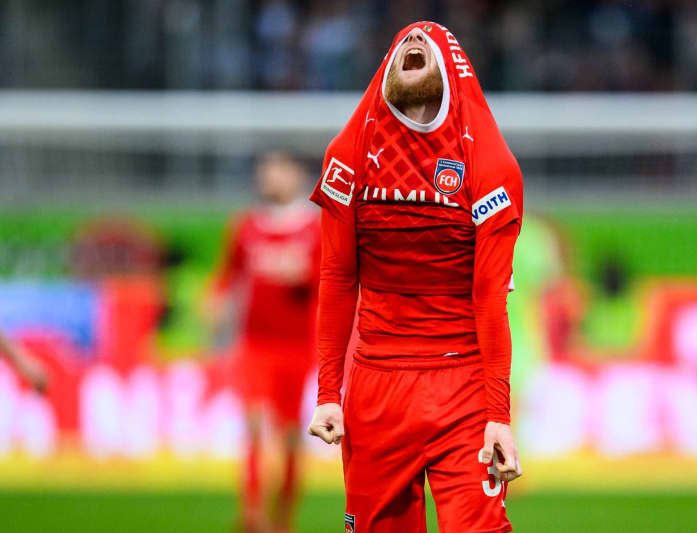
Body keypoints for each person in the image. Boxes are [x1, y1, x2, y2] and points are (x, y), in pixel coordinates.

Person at [306, 22, 523, 533]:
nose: (413, 41)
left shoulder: (489, 166)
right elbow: (337, 278)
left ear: (451, 69)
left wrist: (498, 415)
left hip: (463, 388)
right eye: (403, 40)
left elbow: (490, 299)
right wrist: (327, 393)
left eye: (426, 41)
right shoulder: (349, 155)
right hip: (375, 388)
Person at [209, 152, 320, 533]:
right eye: (264, 171)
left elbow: (334, 284)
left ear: (296, 175)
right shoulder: (245, 226)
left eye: (277, 171)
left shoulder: (316, 228)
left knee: (290, 436)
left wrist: (303, 275)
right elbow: (227, 275)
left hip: (297, 347)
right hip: (255, 344)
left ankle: (282, 519)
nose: (269, 178)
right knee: (254, 423)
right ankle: (252, 516)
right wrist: (218, 302)